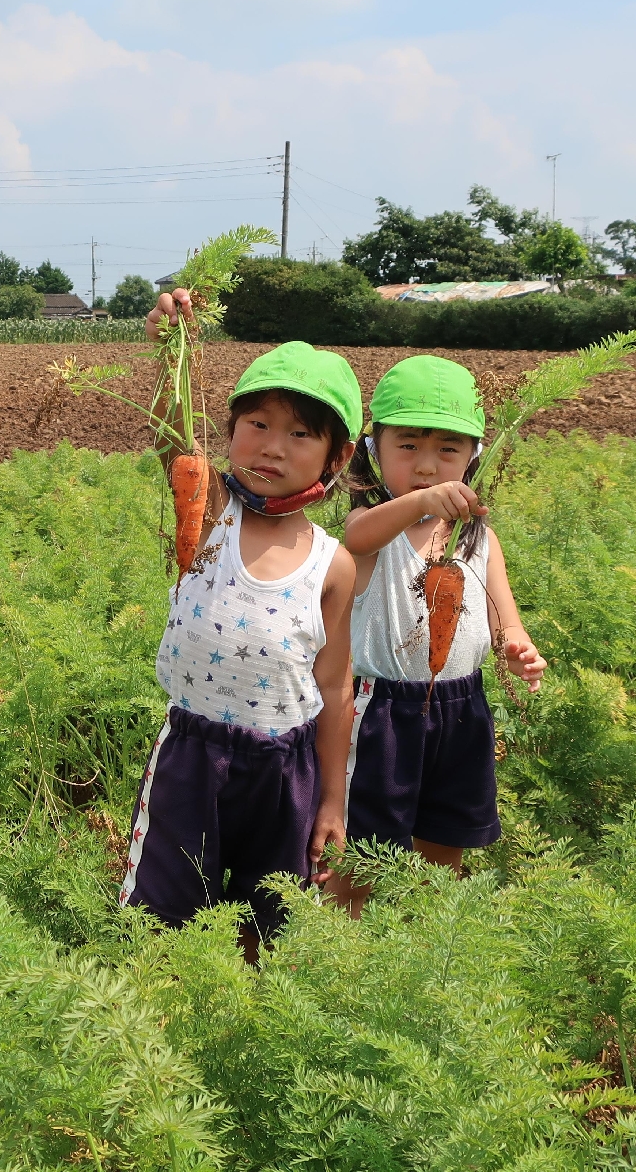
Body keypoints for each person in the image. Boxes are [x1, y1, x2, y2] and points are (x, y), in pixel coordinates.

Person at [118, 295, 360, 957]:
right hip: (192, 755)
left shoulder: (332, 564)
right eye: (257, 422)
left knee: (268, 925)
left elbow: (336, 689)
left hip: (286, 768)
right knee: (161, 921)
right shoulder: (211, 508)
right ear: (229, 429)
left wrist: (333, 802)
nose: (273, 447)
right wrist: (173, 349)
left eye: (301, 434)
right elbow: (172, 431)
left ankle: (243, 1035)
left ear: (336, 459)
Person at [333, 356, 544, 909]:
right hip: (382, 712)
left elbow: (505, 618)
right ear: (373, 449)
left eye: (448, 450)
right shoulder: (373, 528)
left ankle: (421, 947)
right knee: (363, 855)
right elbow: (355, 537)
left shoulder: (478, 539)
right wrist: (420, 504)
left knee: (444, 846)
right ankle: (337, 945)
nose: (427, 466)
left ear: (473, 457)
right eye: (408, 446)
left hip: (462, 708)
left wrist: (516, 648)